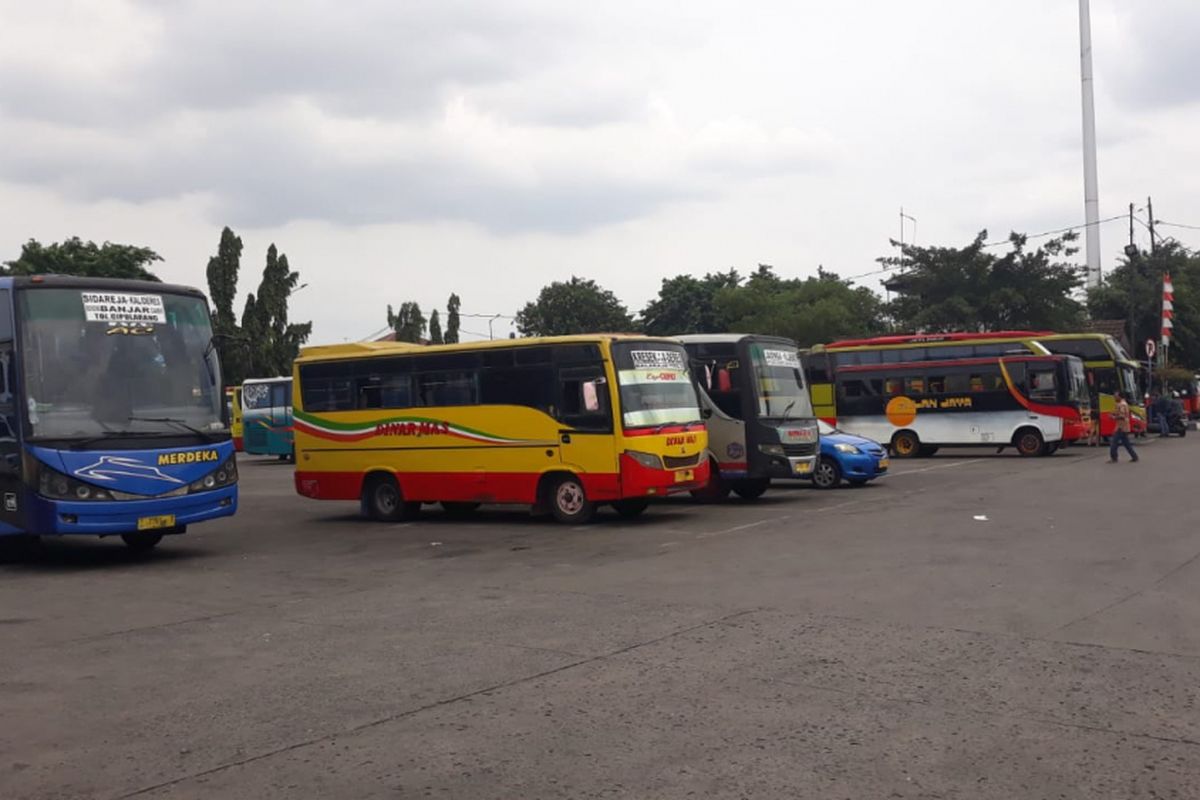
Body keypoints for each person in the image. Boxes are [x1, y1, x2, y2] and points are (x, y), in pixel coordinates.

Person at [1109, 391, 1138, 463]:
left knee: (1114, 442)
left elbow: (1122, 416)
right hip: (1123, 426)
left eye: (1116, 396)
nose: (1114, 397)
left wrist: (1113, 417)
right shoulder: (1122, 404)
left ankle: (1114, 457)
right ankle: (1134, 456)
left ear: (1119, 396)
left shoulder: (1122, 404)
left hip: (1121, 427)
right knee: (1126, 443)